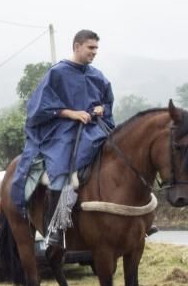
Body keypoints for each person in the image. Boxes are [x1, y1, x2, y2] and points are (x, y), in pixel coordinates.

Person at [10, 30, 114, 249]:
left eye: (96, 48)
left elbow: (107, 102)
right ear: (77, 46)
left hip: (94, 127)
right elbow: (40, 108)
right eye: (90, 48)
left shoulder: (97, 75)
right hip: (61, 130)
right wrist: (72, 113)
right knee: (61, 168)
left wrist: (101, 108)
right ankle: (55, 228)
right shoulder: (57, 73)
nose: (94, 53)